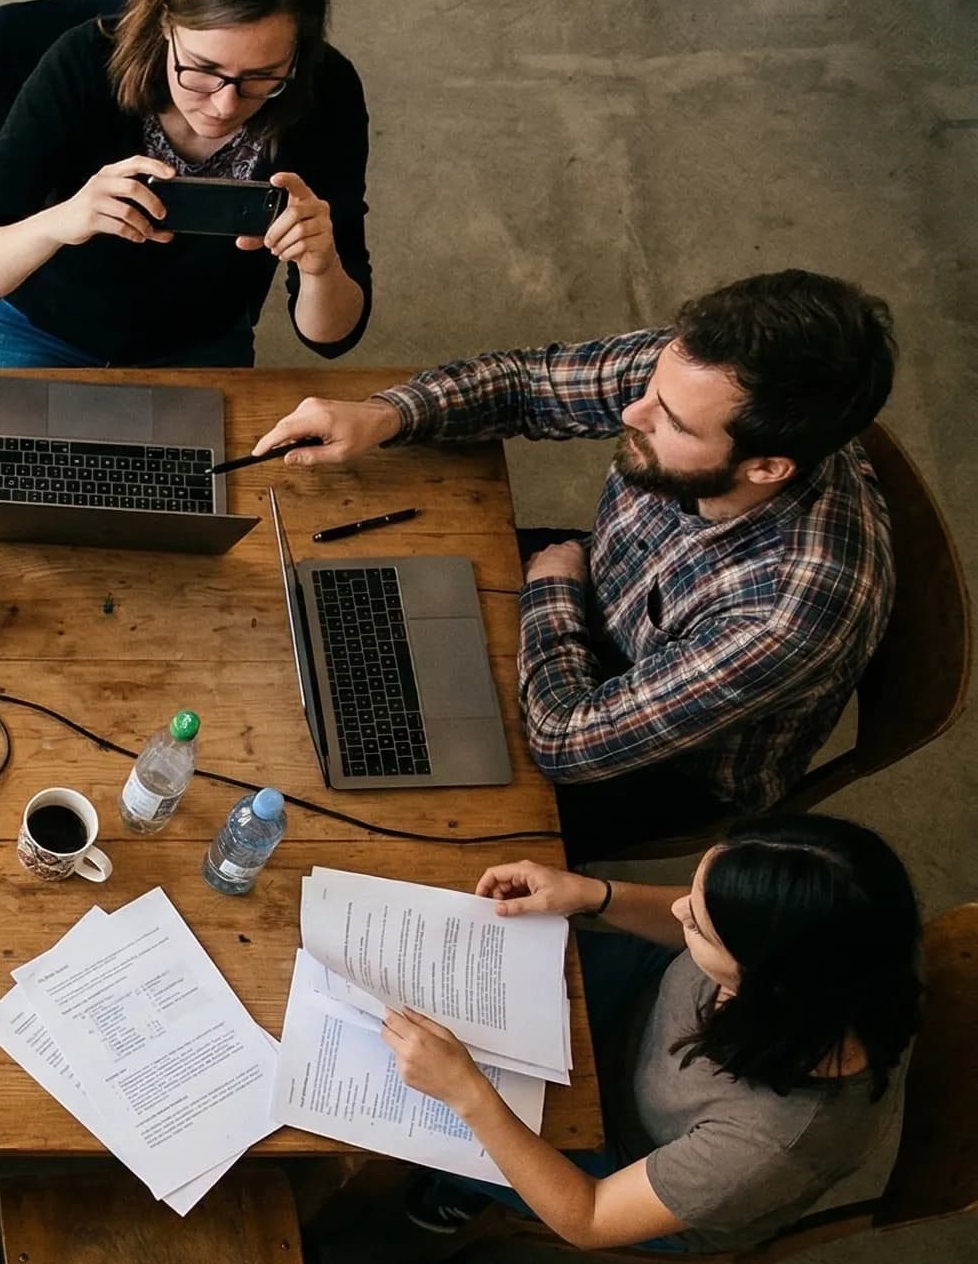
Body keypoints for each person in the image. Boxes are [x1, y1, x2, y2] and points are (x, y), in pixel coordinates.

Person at [249, 269, 897, 858]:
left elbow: (566, 742)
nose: (631, 413)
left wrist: (555, 587)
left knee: (364, 809)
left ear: (766, 468)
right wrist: (382, 415)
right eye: (651, 388)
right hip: (597, 581)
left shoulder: (790, 612)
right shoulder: (704, 372)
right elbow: (529, 384)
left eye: (668, 421)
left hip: (658, 761)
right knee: (326, 609)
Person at [386, 814, 922, 1254]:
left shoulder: (770, 1144)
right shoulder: (850, 947)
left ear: (762, 983)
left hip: (630, 1157)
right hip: (647, 999)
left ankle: (459, 1189)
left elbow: (590, 1217)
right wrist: (593, 894)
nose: (676, 909)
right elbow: (719, 919)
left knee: (403, 1118)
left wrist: (470, 1094)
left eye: (698, 925)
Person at [0, 0, 370, 369]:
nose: (224, 106)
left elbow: (332, 339)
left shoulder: (327, 93)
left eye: (263, 76)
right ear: (164, 22)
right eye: (202, 69)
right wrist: (62, 220)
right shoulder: (84, 64)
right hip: (34, 325)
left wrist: (321, 265)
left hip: (198, 341)